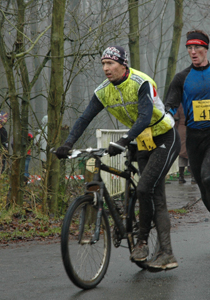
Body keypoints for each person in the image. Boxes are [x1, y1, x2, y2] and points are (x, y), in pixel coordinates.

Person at [55, 46, 180, 271]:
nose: (106, 68)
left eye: (110, 64)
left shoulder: (141, 82)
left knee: (146, 190)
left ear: (123, 65)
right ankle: (151, 242)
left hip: (164, 137)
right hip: (142, 141)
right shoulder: (103, 91)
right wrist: (67, 144)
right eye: (103, 64)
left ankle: (150, 246)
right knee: (151, 191)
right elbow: (84, 118)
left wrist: (123, 140)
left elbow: (143, 118)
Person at [165, 29, 210, 248]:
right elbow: (170, 104)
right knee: (203, 186)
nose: (193, 52)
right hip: (193, 137)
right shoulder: (181, 78)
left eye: (197, 48)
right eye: (189, 48)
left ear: (206, 49)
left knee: (208, 177)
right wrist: (166, 118)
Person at [173, 104, 195, 184]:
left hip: (181, 130)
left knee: (181, 153)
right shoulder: (192, 102)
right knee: (191, 153)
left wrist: (176, 130)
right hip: (191, 128)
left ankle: (181, 177)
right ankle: (193, 177)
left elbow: (175, 119)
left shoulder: (180, 105)